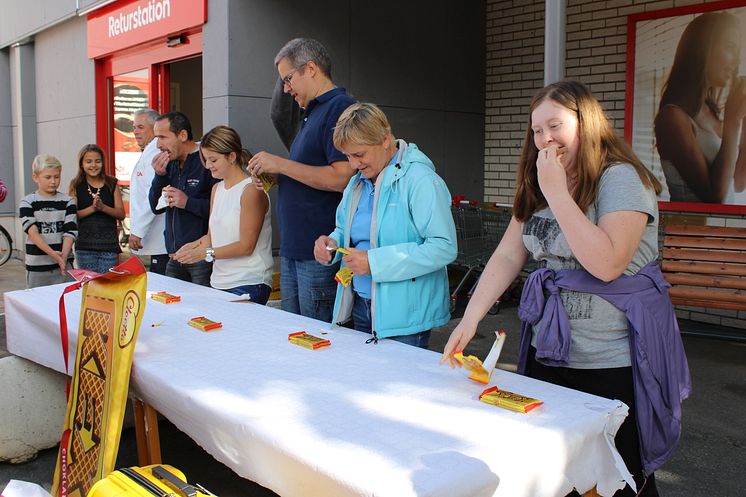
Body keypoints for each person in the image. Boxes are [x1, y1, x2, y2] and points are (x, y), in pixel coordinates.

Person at [440, 81, 691, 496]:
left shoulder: (621, 178)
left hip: (612, 359)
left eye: (554, 125)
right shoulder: (542, 179)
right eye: (536, 130)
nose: (544, 140)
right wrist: (470, 319)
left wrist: (557, 193)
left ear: (585, 122)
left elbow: (607, 264)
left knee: (617, 477)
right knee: (556, 474)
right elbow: (507, 255)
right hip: (548, 349)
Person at [313, 103, 457, 348]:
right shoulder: (357, 182)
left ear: (385, 139)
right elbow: (345, 229)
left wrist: (374, 262)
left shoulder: (421, 180)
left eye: (359, 155)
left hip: (405, 317)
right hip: (360, 302)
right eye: (348, 156)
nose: (353, 165)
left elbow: (443, 247)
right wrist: (332, 243)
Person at [249, 38, 356, 321]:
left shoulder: (340, 108)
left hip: (319, 251)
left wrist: (282, 164)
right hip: (296, 249)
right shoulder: (311, 113)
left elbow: (342, 177)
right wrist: (276, 175)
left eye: (288, 79)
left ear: (310, 68)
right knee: (296, 338)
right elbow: (309, 173)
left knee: (317, 342)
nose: (285, 89)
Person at [173, 126, 274, 304]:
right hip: (219, 281)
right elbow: (212, 237)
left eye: (213, 159)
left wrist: (204, 253)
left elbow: (246, 246)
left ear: (232, 157)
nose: (208, 165)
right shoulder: (216, 188)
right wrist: (191, 248)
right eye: (205, 159)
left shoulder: (251, 189)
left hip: (249, 281)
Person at [655, 11, 746, 203]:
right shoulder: (672, 118)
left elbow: (737, 183)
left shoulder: (712, 113)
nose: (736, 61)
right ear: (702, 49)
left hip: (721, 230)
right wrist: (733, 121)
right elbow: (715, 199)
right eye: (730, 48)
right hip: (693, 229)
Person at [148, 111, 216, 286]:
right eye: (156, 138)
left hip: (201, 256)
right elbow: (156, 207)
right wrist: (159, 176)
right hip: (174, 255)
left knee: (202, 309)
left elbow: (222, 210)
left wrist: (188, 202)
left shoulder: (207, 161)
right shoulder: (169, 163)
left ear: (183, 135)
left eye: (162, 137)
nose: (158, 145)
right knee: (175, 308)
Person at [20, 154, 77, 288]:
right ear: (35, 177)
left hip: (64, 266)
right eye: (48, 177)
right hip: (37, 267)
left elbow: (70, 232)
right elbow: (33, 233)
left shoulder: (68, 201)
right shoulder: (27, 202)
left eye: (56, 177)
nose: (53, 181)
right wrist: (53, 255)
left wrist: (62, 258)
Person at [69, 144, 125, 274]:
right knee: (89, 284)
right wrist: (93, 208)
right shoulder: (76, 185)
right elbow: (72, 215)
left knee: (107, 284)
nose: (93, 165)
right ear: (81, 164)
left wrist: (103, 207)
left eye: (97, 161)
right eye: (88, 161)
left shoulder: (112, 183)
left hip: (109, 245)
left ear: (103, 163)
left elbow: (121, 214)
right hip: (84, 245)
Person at [128, 108, 168, 274]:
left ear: (155, 129)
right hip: (156, 241)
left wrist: (137, 231)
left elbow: (154, 196)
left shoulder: (156, 153)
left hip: (160, 241)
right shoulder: (148, 152)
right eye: (134, 127)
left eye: (141, 127)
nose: (136, 132)